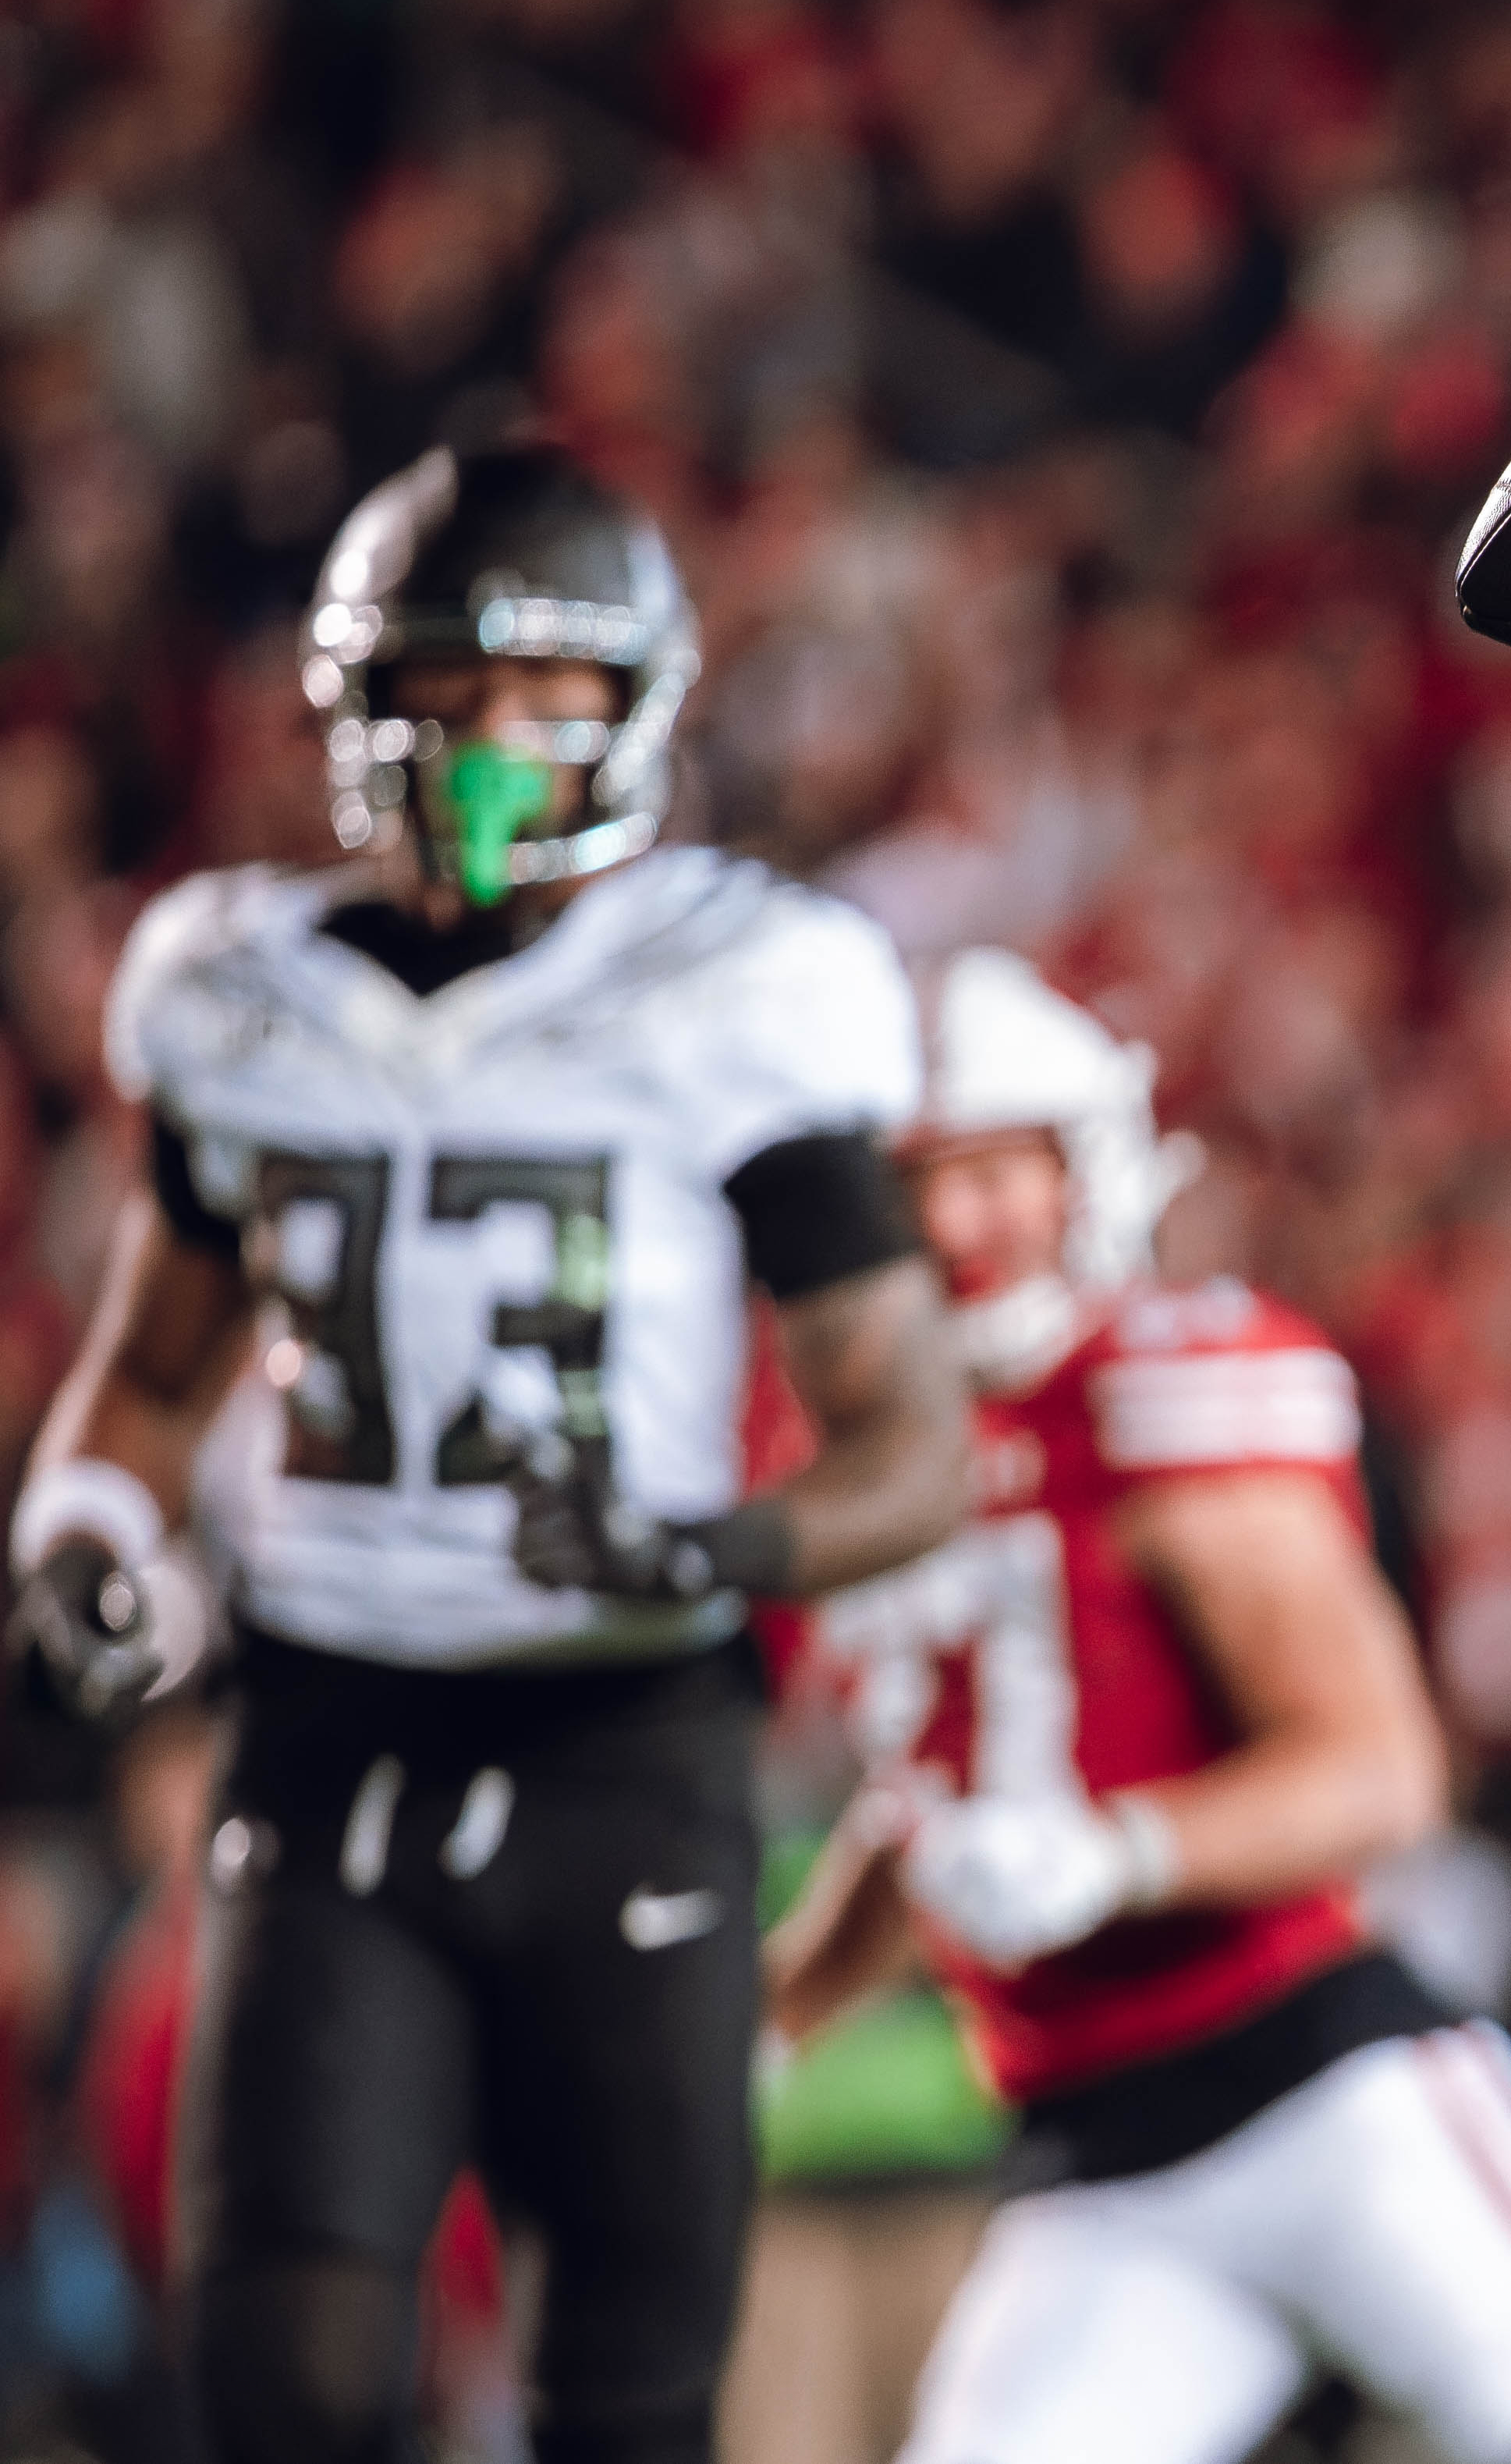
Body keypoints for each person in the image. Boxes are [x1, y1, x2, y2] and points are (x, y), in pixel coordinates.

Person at [9, 440, 974, 2464]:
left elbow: (915, 1447)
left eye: (540, 704)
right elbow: (149, 1363)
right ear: (357, 713)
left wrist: (702, 1544)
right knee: (289, 2385)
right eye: (440, 699)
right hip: (325, 1733)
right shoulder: (235, 987)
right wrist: (84, 1517)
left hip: (623, 1748)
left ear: (638, 709)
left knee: (622, 2406)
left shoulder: (741, 989)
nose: (483, 753)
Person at [768, 947, 1511, 2464]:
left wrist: (1117, 1853)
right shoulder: (892, 1458)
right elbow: (926, 1811)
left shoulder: (1160, 1390)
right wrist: (768, 2015)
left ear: (1086, 1168)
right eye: (913, 1177)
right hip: (1090, 2152)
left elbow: (1383, 1774)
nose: (948, 1223)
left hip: (1313, 2087)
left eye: (992, 1171)